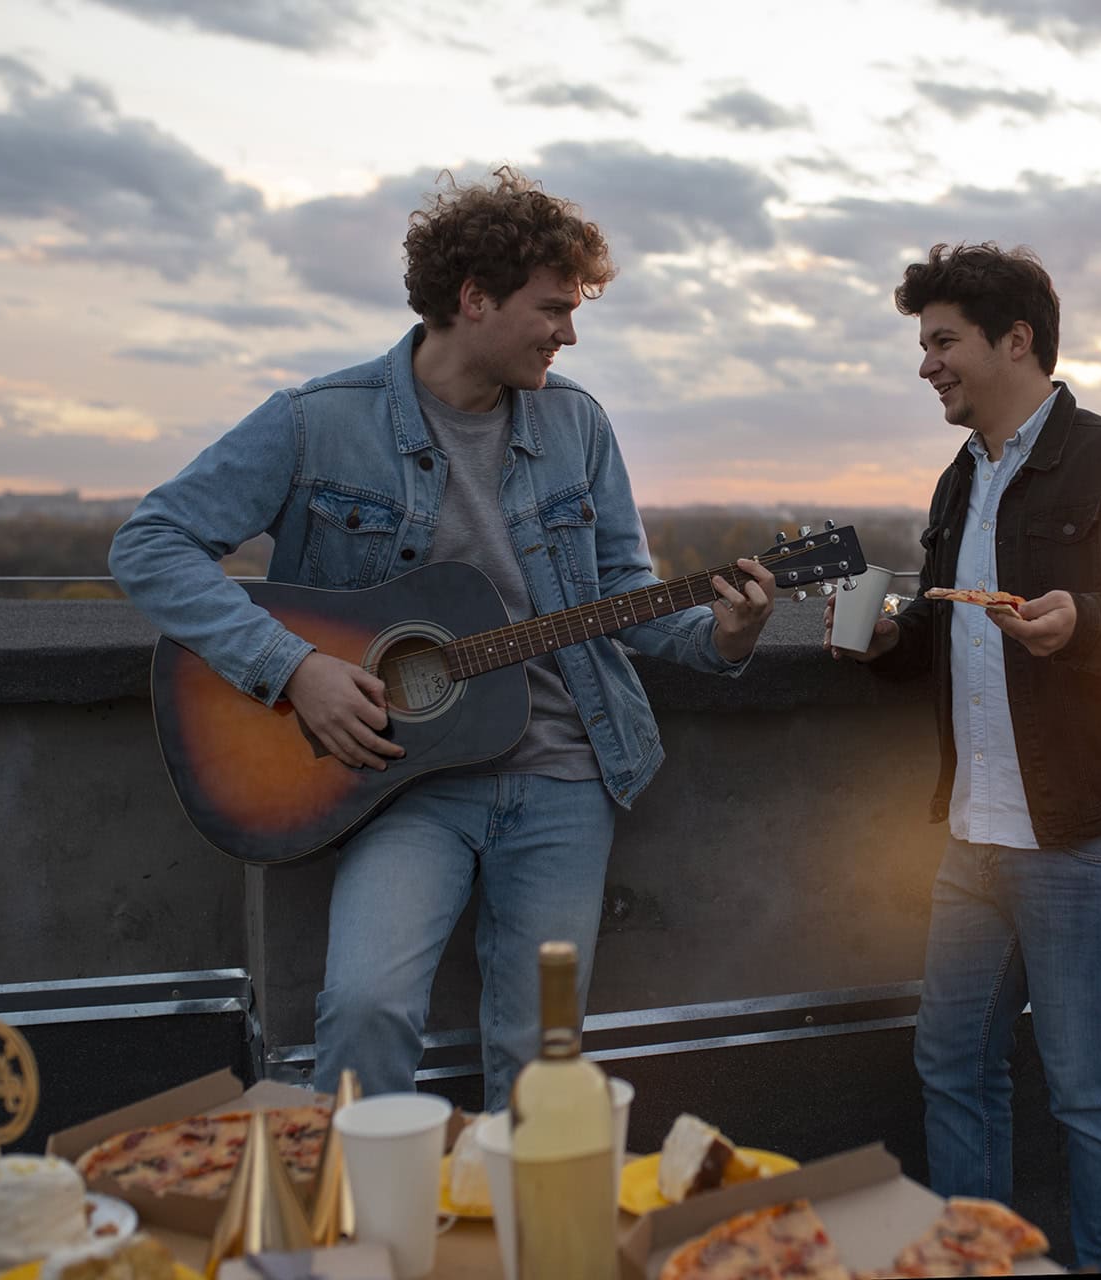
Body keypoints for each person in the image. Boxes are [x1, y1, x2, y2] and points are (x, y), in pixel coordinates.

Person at [110, 168, 775, 1108]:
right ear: (474, 299)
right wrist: (292, 668)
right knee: (366, 1010)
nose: (570, 333)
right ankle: (371, 1242)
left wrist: (725, 634)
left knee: (540, 1054)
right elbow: (150, 542)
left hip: (564, 774)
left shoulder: (576, 423)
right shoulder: (317, 422)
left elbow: (623, 588)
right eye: (553, 308)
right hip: (399, 783)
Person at [826, 242, 1101, 1272]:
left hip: (1096, 837)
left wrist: (1085, 618)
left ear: (1016, 340)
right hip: (974, 840)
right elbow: (941, 636)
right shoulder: (961, 479)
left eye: (943, 341)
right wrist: (879, 638)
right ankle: (982, 1262)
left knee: (1089, 1086)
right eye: (923, 344)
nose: (927, 365)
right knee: (951, 1062)